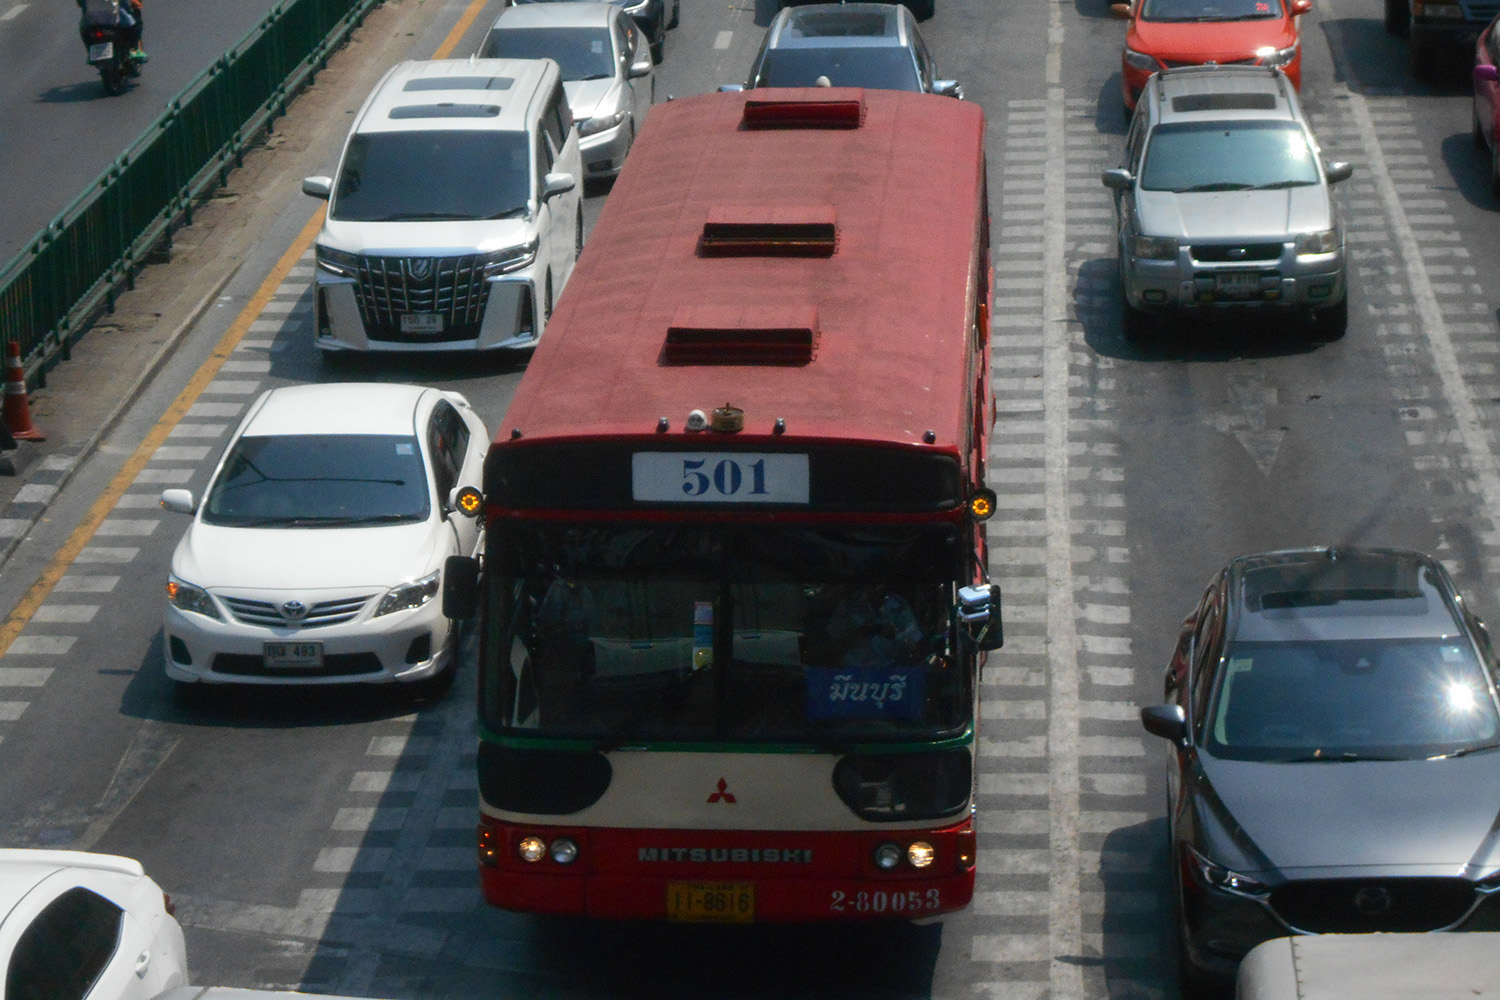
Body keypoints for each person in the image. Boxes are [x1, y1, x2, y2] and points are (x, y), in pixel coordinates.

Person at [77, 0, 147, 62]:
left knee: (84, 30)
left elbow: (80, 4)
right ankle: (133, 49)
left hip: (92, 23)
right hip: (114, 21)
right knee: (134, 23)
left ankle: (91, 53)